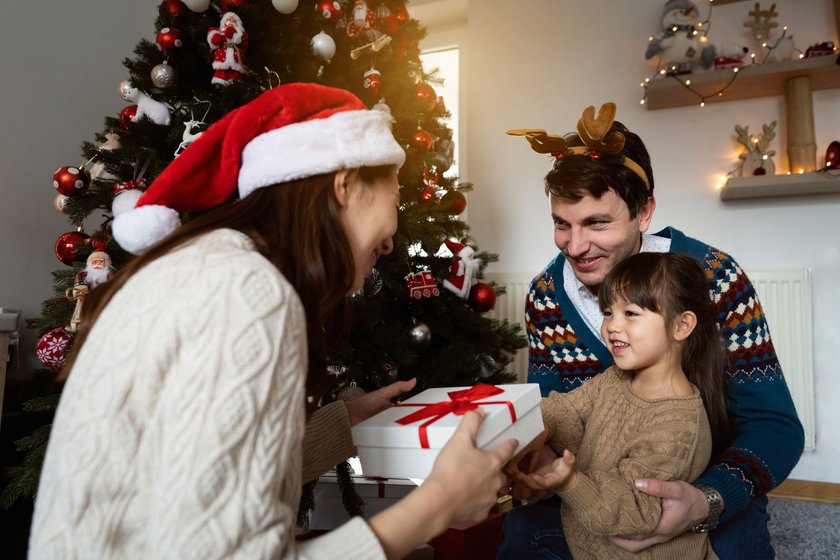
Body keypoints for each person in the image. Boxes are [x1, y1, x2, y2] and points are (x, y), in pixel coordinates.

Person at [30, 83, 517, 560]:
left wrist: (343, 421)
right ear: (344, 185)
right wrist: (439, 505)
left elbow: (203, 479)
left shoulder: (214, 267)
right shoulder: (247, 292)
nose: (390, 241)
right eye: (394, 197)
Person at [499, 102, 803, 559]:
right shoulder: (546, 296)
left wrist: (708, 500)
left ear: (644, 213)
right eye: (562, 224)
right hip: (595, 487)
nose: (575, 246)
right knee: (524, 535)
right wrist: (538, 463)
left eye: (597, 223)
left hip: (701, 480)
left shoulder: (714, 279)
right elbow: (553, 413)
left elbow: (775, 426)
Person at [509, 252, 731, 559]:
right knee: (518, 524)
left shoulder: (677, 425)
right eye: (608, 312)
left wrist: (569, 481)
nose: (612, 326)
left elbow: (632, 515)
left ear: (681, 326)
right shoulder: (616, 377)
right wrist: (533, 428)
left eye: (630, 313)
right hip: (589, 537)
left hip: (630, 551)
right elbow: (570, 411)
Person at [66, 251, 114, 333]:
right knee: (83, 310)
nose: (97, 264)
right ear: (89, 263)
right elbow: (79, 284)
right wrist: (80, 290)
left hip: (102, 298)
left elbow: (113, 285)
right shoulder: (83, 275)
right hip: (87, 297)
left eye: (101, 261)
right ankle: (81, 324)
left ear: (106, 263)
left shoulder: (108, 274)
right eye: (94, 261)